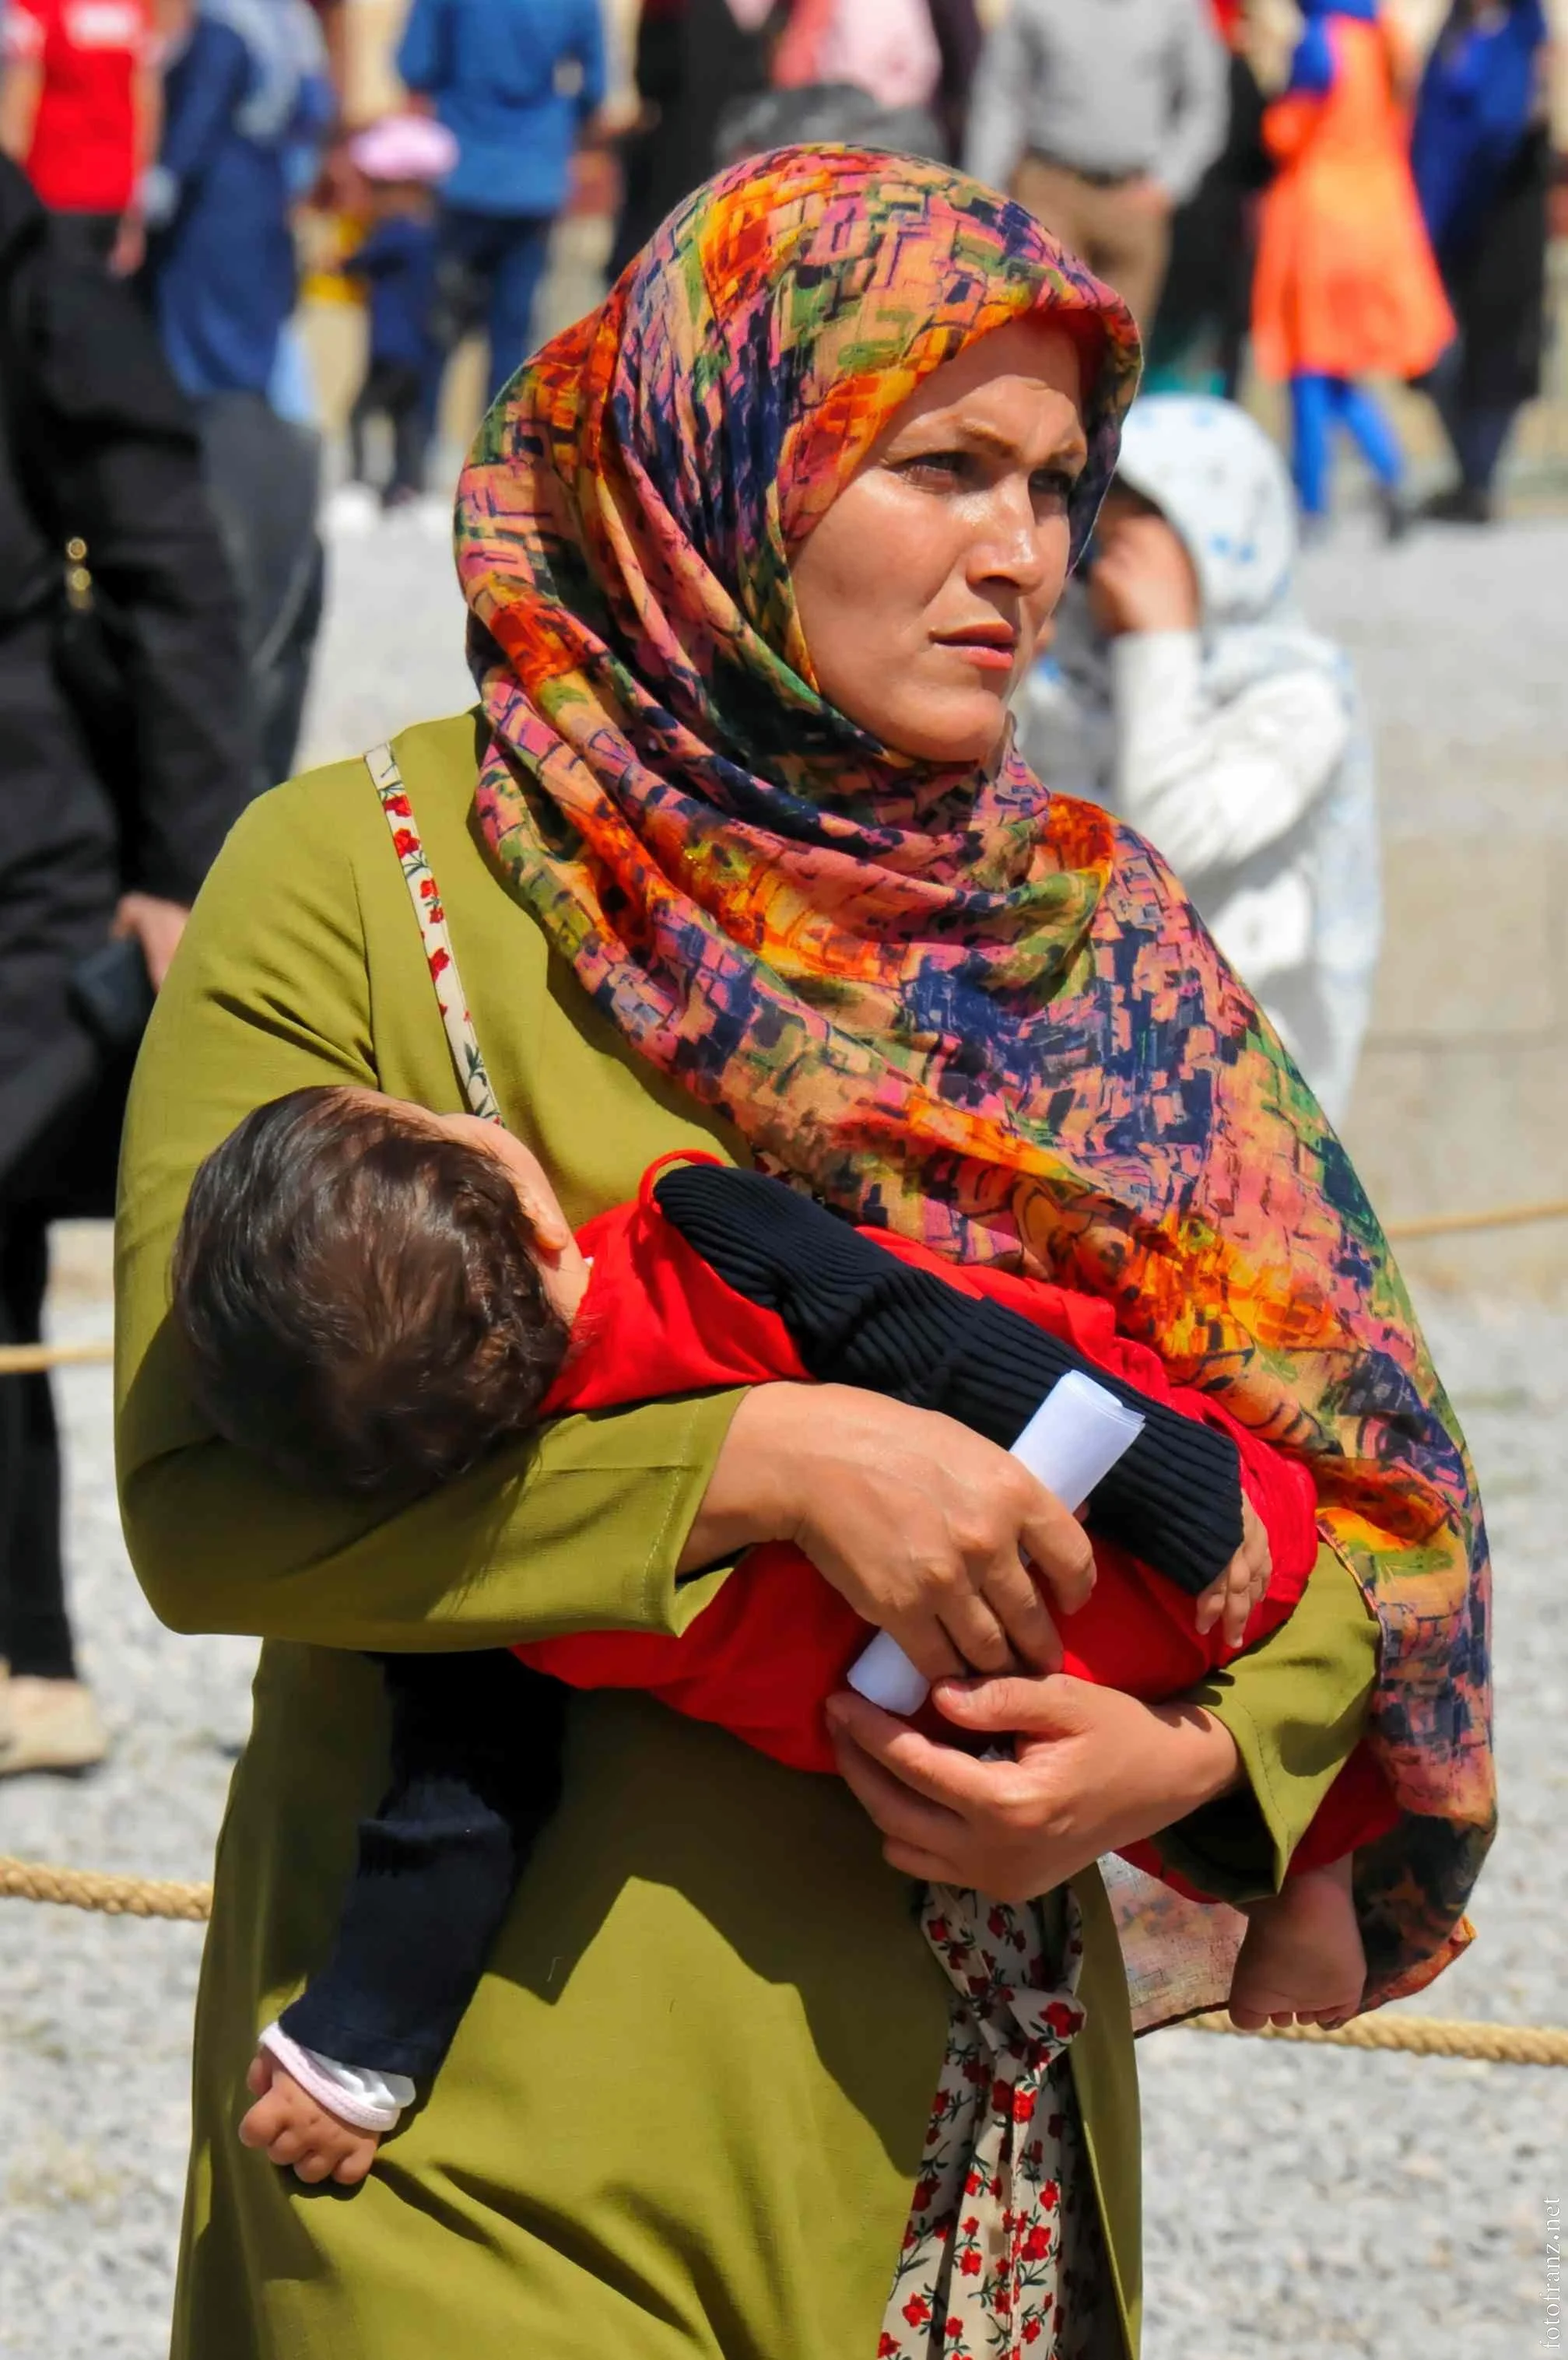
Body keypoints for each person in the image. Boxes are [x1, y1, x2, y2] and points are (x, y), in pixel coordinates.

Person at [117, 149, 1492, 2357]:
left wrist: (1187, 1767)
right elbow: (200, 1515)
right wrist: (757, 1467)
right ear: (716, 460)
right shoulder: (359, 878)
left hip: (959, 2180)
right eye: (939, 466)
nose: (1018, 554)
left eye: (1056, 483)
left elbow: (1352, 1515)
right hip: (463, 2144)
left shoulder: (1095, 953)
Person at [168, 1086, 1396, 2179]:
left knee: (1069, 1747)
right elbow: (936, 1333)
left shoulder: (502, 1564)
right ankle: (1315, 1868)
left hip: (934, 1737)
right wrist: (1180, 1486)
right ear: (537, 1218)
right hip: (1092, 1520)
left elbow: (458, 1804)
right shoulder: (691, 1236)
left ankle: (1297, 1884)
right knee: (1269, 1584)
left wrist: (355, 2052)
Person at [0, 155, 249, 1774]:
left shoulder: (14, 237)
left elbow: (158, 535)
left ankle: (25, 1653)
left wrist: (184, 861)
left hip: (18, 812)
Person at [1020, 394, 1381, 1128]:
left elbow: (1163, 843)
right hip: (1095, 1068)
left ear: (1218, 544)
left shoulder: (1296, 698)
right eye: (1093, 549)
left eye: (1132, 552)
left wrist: (1161, 644)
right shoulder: (1083, 675)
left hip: (1240, 1095)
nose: (1104, 582)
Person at [140, 0, 334, 789]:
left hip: (213, 222)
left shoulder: (227, 27)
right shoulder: (289, 25)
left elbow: (184, 138)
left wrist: (143, 198)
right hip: (256, 220)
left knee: (209, 388)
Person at [1251, 0, 1454, 535]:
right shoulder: (1383, 41)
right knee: (1335, 366)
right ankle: (1391, 471)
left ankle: (1312, 501)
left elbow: (1285, 133)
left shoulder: (1321, 41)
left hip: (1319, 219)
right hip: (1377, 214)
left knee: (1309, 367)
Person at [963, 0, 1229, 328]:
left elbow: (1205, 103)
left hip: (1134, 201)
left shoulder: (1179, 9)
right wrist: (984, 199)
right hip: (1049, 192)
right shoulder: (1035, 7)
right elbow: (1000, 97)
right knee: (1048, 345)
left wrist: (1169, 183)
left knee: (1121, 357)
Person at [396, 0, 607, 409]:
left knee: (437, 326)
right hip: (534, 179)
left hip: (460, 171)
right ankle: (491, 458)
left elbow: (416, 64)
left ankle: (418, 451)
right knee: (513, 334)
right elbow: (595, 86)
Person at [1412, 0, 1552, 524]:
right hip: (1444, 218)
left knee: (1499, 355)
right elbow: (1430, 124)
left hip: (1506, 218)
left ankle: (1479, 480)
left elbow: (1517, 119)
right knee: (1433, 355)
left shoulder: (1524, 30)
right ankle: (1468, 475)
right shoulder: (1451, 34)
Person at [1144, 0, 1269, 396]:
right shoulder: (1232, 71)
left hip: (1179, 237)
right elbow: (1259, 160)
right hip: (1209, 244)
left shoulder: (1160, 71)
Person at [339, 114, 456, 512]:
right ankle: (407, 485)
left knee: (359, 414)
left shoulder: (398, 234)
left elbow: (355, 263)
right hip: (420, 351)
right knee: (407, 421)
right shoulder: (432, 235)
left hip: (391, 349)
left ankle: (359, 483)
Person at [0, 0, 156, 272]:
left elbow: (18, 108)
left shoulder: (37, 7)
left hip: (48, 191)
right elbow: (146, 105)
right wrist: (138, 200)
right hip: (116, 193)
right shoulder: (132, 9)